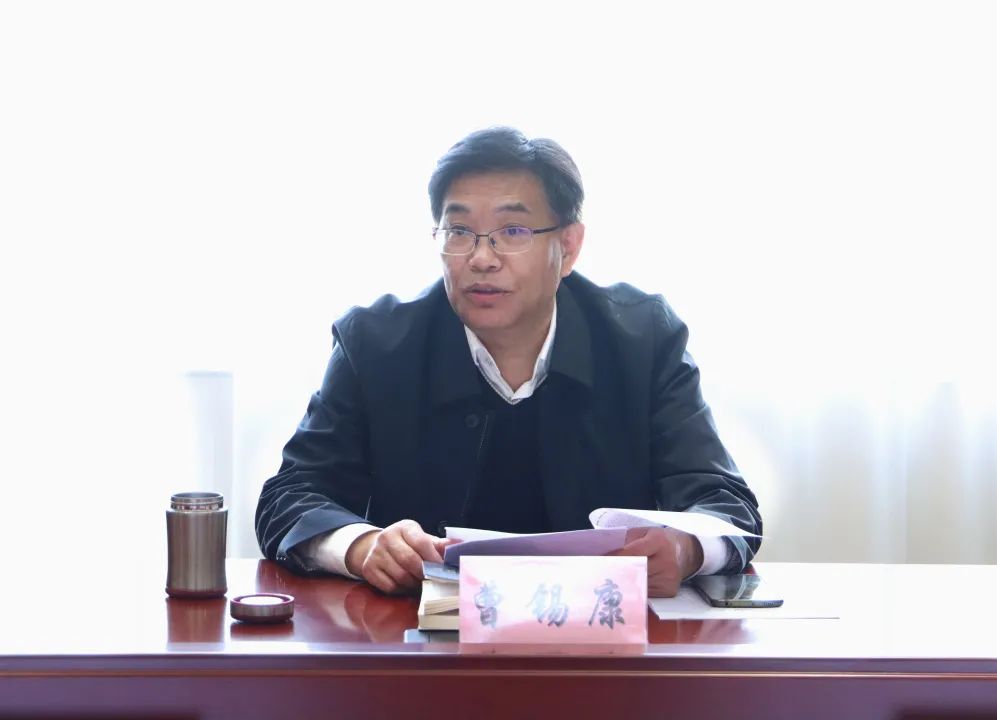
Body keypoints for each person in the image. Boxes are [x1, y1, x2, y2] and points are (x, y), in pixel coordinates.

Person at [255, 127, 762, 597]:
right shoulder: (375, 343)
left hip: (602, 637)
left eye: (513, 230)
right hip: (421, 641)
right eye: (459, 231)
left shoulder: (642, 339)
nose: (482, 258)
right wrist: (362, 546)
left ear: (569, 246)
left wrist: (684, 549)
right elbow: (290, 496)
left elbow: (725, 503)